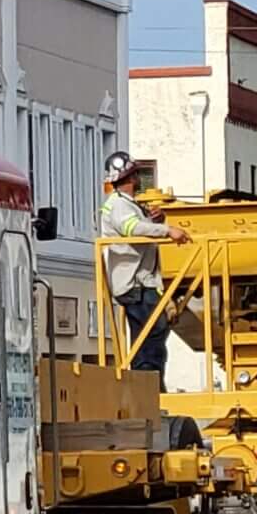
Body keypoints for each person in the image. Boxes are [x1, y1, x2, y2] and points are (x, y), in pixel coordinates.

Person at [99, 152, 189, 376]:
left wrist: (154, 221)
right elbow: (132, 229)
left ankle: (149, 384)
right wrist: (168, 230)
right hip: (135, 284)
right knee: (152, 332)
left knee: (150, 334)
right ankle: (148, 385)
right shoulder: (119, 204)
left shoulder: (125, 204)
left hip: (137, 282)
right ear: (132, 177)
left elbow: (137, 226)